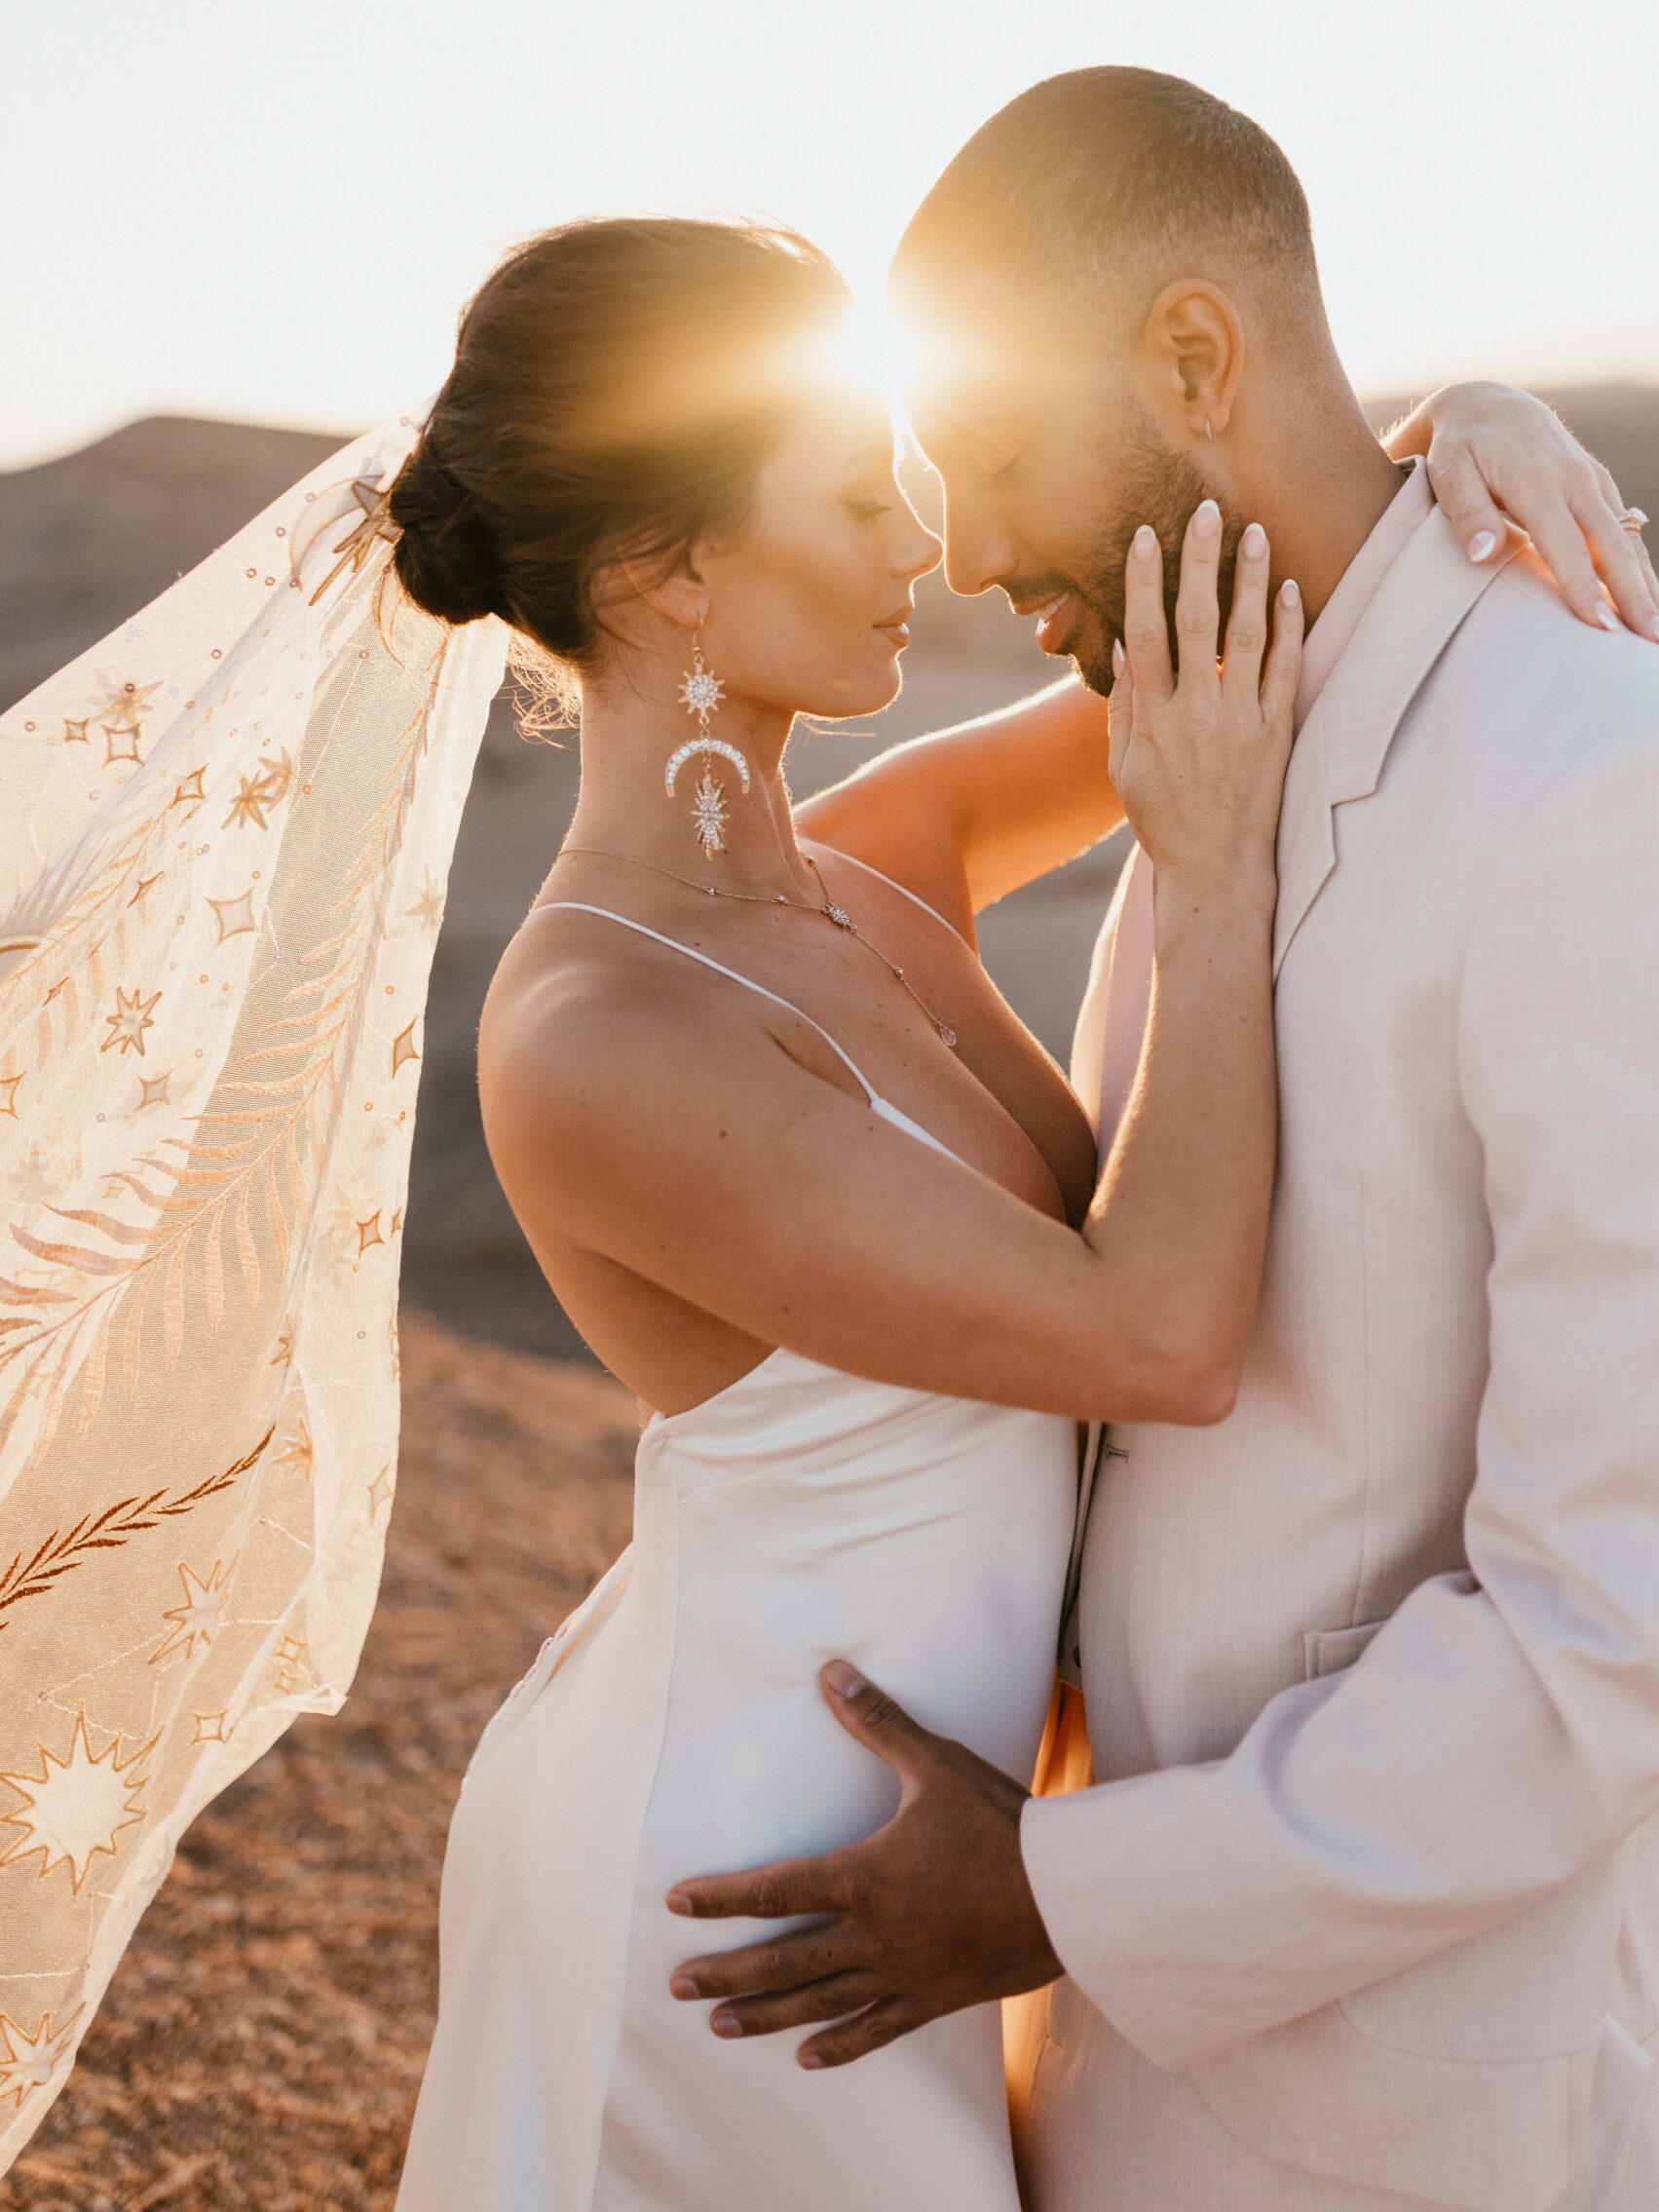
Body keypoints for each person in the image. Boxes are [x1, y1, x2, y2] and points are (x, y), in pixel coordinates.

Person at [381, 211, 1639, 2209]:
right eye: (864, 488)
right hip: (758, 1893)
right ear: (671, 566)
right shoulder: (593, 1036)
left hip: (941, 1873)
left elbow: (1294, 611)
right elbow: (1156, 1335)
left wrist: (1466, 435)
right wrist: (1210, 891)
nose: (929, 547)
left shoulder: (874, 864)